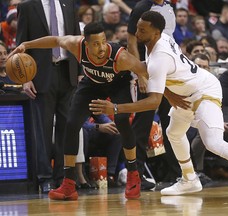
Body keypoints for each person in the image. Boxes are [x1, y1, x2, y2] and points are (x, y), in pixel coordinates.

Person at [89, 11, 228, 198]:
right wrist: (170, 92)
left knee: (214, 143)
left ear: (155, 32)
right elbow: (158, 73)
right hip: (185, 93)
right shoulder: (161, 38)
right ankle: (190, 179)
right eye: (138, 28)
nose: (137, 33)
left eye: (142, 30)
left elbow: (153, 101)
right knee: (174, 133)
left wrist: (115, 108)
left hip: (204, 90)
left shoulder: (159, 56)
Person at [10, 22, 148, 200]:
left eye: (103, 42)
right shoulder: (76, 44)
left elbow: (145, 69)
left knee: (121, 121)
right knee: (72, 123)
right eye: (96, 44)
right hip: (91, 83)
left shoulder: (120, 57)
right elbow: (55, 40)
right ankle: (68, 184)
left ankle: (133, 174)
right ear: (86, 43)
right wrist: (26, 45)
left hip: (117, 84)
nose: (101, 47)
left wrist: (146, 79)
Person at [16, 0, 81, 193]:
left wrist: (80, 70)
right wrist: (25, 79)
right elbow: (22, 44)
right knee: (43, 130)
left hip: (67, 72)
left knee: (66, 128)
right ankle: (44, 178)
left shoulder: (68, 5)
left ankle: (63, 177)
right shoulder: (27, 6)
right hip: (40, 75)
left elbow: (77, 39)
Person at [127, 0, 179, 187]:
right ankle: (136, 175)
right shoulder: (142, 8)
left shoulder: (170, 7)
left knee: (171, 123)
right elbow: (131, 41)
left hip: (166, 70)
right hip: (147, 70)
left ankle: (177, 174)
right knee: (142, 125)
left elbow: (170, 41)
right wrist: (140, 75)